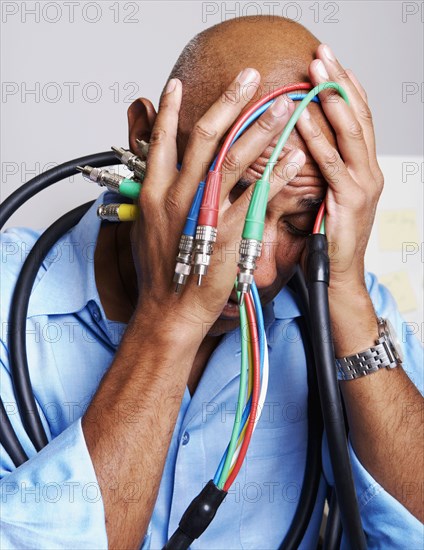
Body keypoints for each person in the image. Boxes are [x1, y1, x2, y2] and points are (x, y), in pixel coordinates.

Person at [0, 15, 422, 550]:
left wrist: (345, 296)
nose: (260, 270)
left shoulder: (341, 309)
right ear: (145, 139)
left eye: (295, 222)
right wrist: (169, 321)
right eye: (224, 201)